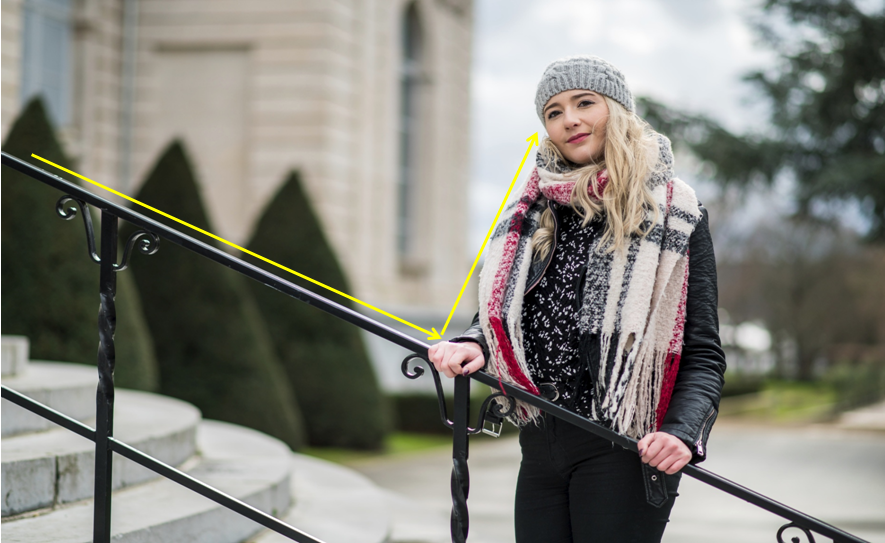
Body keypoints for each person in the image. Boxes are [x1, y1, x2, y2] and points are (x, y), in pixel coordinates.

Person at [427, 55, 726, 543]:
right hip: (541, 437)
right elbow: (504, 317)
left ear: (618, 111)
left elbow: (702, 351)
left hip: (623, 445)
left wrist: (682, 432)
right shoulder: (532, 212)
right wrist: (476, 341)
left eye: (585, 102)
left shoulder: (676, 213)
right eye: (554, 111)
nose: (570, 119)